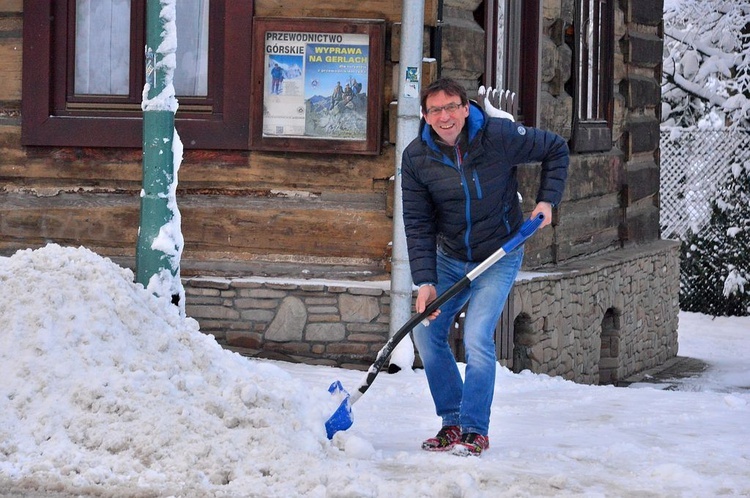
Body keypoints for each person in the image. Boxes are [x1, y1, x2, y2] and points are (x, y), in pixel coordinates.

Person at [401, 78, 569, 457]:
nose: (444, 117)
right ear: (426, 117)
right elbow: (418, 223)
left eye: (451, 107)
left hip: (500, 253)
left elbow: (556, 149)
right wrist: (425, 281)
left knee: (477, 337)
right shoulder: (416, 159)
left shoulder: (499, 136)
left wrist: (547, 202)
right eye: (435, 110)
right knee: (427, 335)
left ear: (465, 107)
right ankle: (453, 420)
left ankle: (475, 429)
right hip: (450, 257)